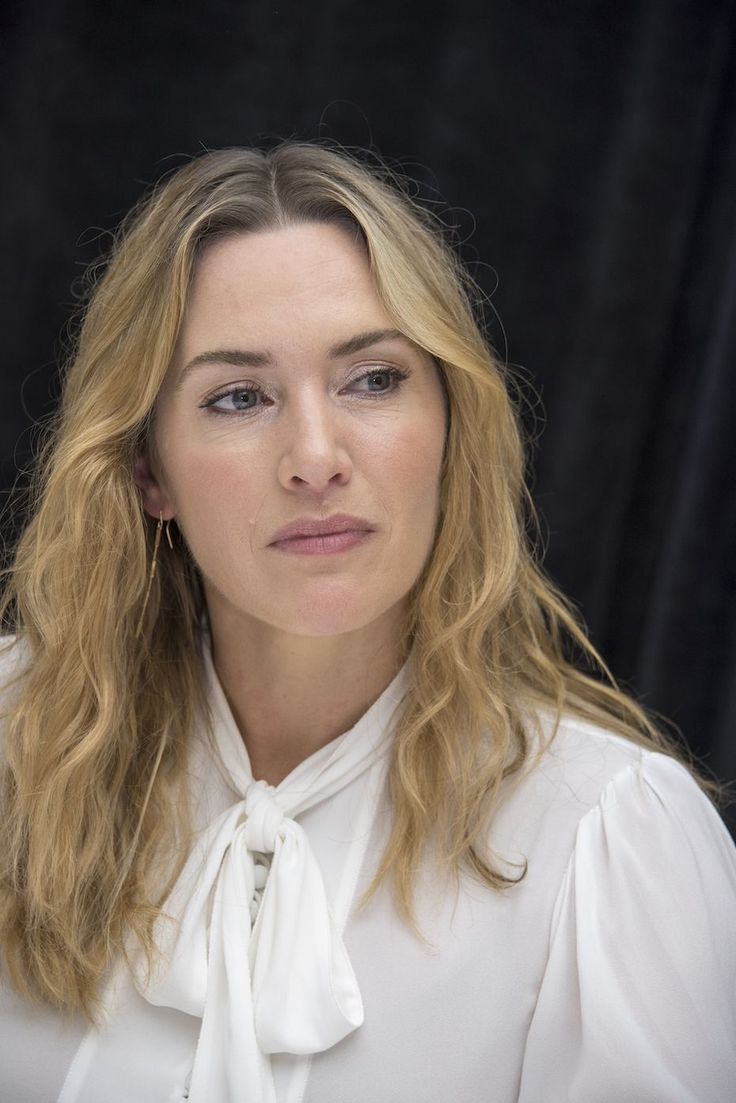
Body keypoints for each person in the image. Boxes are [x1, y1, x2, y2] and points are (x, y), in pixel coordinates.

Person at [0, 141, 734, 1103]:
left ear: (449, 424)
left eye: (373, 379)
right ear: (149, 473)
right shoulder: (14, 739)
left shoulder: (600, 834)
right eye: (238, 396)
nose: (314, 457)